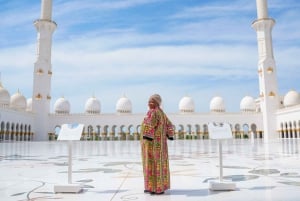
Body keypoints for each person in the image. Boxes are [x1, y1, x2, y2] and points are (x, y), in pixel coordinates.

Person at [140, 94, 174, 195]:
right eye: (149, 101)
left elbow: (149, 124)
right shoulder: (161, 112)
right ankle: (156, 187)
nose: (150, 103)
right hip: (161, 145)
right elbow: (169, 124)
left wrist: (147, 136)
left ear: (157, 103)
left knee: (152, 164)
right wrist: (170, 135)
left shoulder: (153, 112)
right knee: (159, 164)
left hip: (152, 144)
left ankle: (154, 188)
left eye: (152, 101)